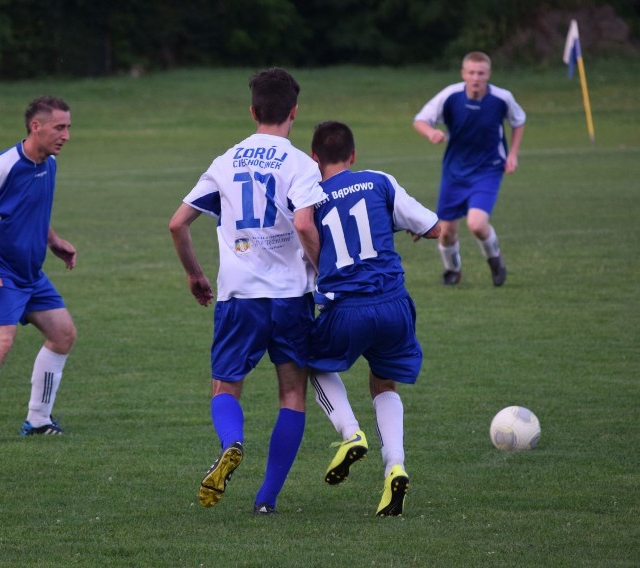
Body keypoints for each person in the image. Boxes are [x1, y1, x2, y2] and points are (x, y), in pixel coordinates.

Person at [169, 68, 328, 515]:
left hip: (238, 297)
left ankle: (231, 442)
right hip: (292, 297)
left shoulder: (226, 161)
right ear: (293, 112)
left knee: (225, 386)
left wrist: (195, 274)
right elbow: (305, 224)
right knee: (292, 393)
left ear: (252, 111)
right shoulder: (301, 164)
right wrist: (322, 275)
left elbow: (177, 222)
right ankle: (266, 499)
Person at [295, 120, 440, 516]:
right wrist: (418, 231)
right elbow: (433, 227)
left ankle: (350, 432)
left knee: (312, 365)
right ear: (353, 156)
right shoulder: (379, 180)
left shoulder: (309, 197)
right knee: (383, 381)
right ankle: (395, 464)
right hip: (395, 305)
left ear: (314, 159)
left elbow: (308, 249)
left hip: (347, 308)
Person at [0, 95, 78, 448]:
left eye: (68, 127)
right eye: (59, 127)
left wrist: (53, 240)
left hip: (31, 273)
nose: (66, 135)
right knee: (0, 341)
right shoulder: (2, 167)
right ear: (36, 126)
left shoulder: (48, 163)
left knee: (63, 334)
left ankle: (38, 420)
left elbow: (33, 210)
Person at [413, 51, 525, 286]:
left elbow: (518, 120)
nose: (476, 77)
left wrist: (513, 154)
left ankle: (495, 260)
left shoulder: (501, 98)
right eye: (471, 72)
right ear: (464, 73)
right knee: (445, 232)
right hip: (455, 172)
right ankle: (453, 270)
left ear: (488, 74)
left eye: (481, 73)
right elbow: (420, 120)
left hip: (488, 169)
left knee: (476, 224)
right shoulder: (451, 95)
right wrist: (431, 132)